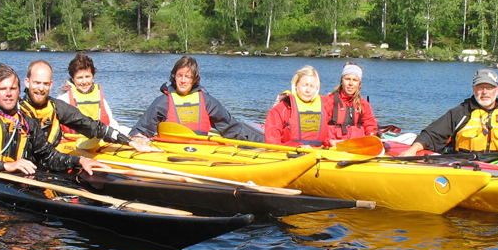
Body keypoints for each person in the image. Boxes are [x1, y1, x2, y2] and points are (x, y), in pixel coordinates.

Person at [0, 64, 107, 176]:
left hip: (21, 179)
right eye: (3, 88)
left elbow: (48, 156)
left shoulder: (27, 122)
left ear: (18, 90)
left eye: (13, 88)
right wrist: (7, 166)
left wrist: (80, 161)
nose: (9, 93)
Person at [20, 59, 152, 152]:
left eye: (45, 83)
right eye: (37, 82)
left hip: (59, 156)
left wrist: (129, 140)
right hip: (65, 148)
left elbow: (94, 126)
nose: (41, 88)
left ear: (51, 84)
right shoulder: (17, 110)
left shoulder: (57, 107)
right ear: (27, 82)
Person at [129, 56, 262, 144]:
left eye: (187, 76)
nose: (183, 80)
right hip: (170, 152)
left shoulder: (207, 101)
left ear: (194, 79)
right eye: (180, 76)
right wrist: (137, 139)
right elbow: (140, 130)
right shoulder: (162, 102)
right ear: (174, 77)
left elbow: (233, 129)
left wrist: (264, 141)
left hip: (200, 153)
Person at [399, 68, 498, 158]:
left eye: (489, 88)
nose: (485, 92)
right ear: (474, 89)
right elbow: (431, 135)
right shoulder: (459, 113)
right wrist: (413, 149)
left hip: (497, 164)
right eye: (480, 87)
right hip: (465, 163)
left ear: (497, 90)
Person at [264, 65, 329, 147]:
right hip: (289, 155)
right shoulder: (280, 110)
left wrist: (330, 142)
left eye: (312, 86)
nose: (308, 90)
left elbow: (327, 136)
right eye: (305, 85)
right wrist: (296, 147)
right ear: (296, 85)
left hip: (317, 154)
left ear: (317, 88)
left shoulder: (325, 107)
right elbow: (272, 144)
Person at [56, 52, 114, 127]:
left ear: (93, 77)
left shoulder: (100, 99)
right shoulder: (64, 99)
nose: (84, 82)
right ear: (73, 79)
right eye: (80, 78)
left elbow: (111, 122)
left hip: (98, 137)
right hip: (73, 138)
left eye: (87, 77)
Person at [325, 62, 378, 144]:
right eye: (347, 79)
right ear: (341, 81)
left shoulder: (363, 104)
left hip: (356, 147)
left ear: (359, 83)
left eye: (355, 80)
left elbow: (370, 124)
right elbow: (318, 127)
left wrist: (371, 136)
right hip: (333, 147)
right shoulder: (328, 101)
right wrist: (328, 141)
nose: (351, 83)